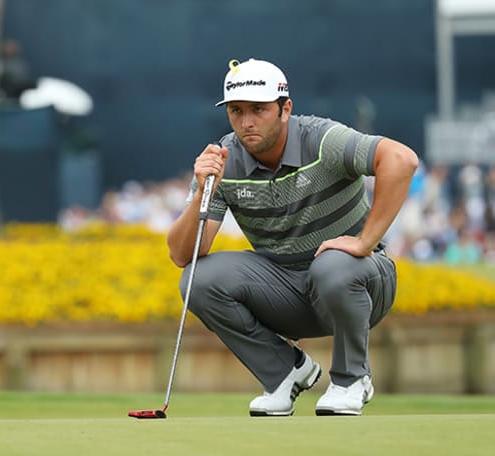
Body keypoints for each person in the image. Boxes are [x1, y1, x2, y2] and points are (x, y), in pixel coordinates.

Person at [167, 59, 418, 416]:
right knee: (198, 279)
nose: (247, 121)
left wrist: (364, 242)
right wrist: (205, 189)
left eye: (259, 109)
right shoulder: (223, 160)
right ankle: (284, 373)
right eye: (236, 111)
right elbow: (182, 253)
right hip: (288, 292)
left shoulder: (321, 139)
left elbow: (401, 160)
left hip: (359, 283)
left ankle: (352, 378)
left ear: (286, 108)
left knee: (332, 266)